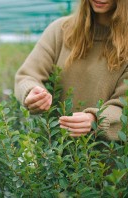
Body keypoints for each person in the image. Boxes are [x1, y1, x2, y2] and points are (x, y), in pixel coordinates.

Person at [15, 0, 128, 141]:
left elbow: (124, 106)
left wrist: (96, 120)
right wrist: (32, 92)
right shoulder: (61, 30)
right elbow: (27, 76)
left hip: (108, 159)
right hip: (54, 153)